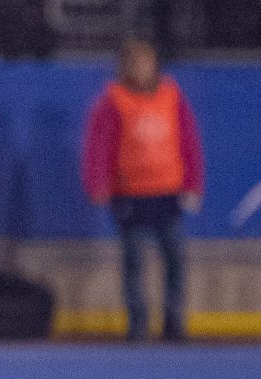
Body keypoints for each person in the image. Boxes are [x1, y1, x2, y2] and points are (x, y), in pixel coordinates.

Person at [83, 38, 204, 342]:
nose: (140, 69)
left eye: (145, 62)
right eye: (134, 63)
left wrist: (193, 183)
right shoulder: (114, 100)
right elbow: (100, 145)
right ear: (124, 67)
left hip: (167, 192)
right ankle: (138, 324)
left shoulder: (171, 96)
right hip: (131, 194)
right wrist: (98, 182)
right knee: (135, 261)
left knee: (175, 259)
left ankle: (173, 322)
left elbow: (188, 141)